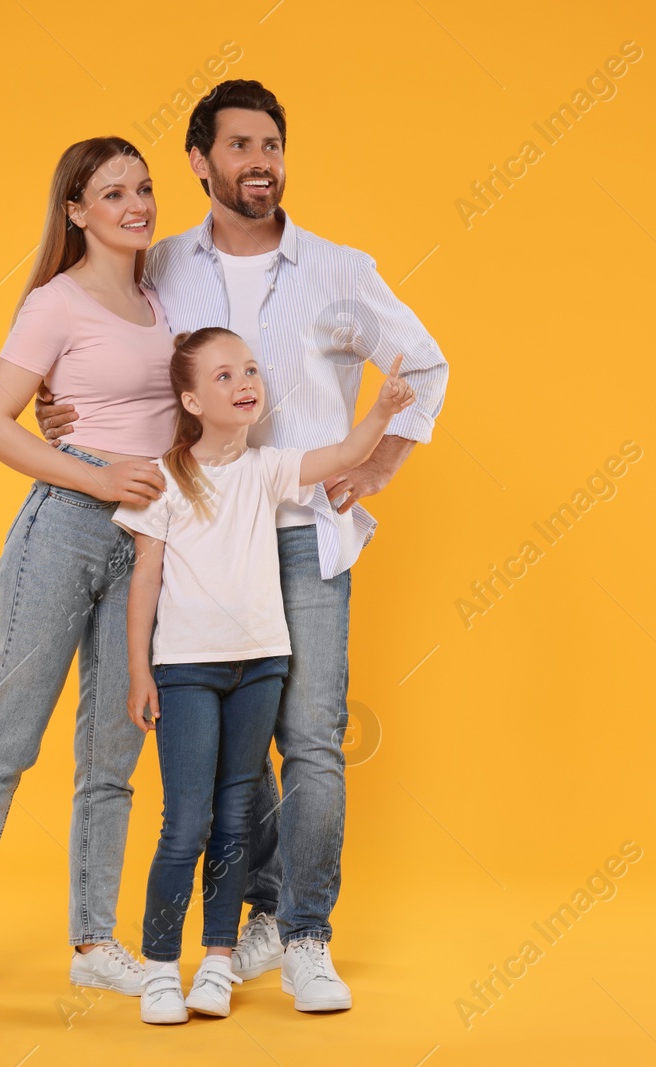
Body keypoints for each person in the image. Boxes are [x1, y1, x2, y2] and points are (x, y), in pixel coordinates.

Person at [36, 79, 450, 1011]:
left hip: (301, 533)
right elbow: (119, 358)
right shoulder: (162, 264)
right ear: (200, 161)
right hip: (201, 535)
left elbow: (425, 363)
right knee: (236, 747)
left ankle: (303, 931)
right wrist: (59, 409)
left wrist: (379, 462)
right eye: (239, 145)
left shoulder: (341, 268)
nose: (260, 161)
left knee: (309, 737)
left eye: (272, 144)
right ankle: (250, 915)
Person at [0, 137, 172, 1018]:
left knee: (115, 750)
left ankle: (96, 942)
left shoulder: (160, 298)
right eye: (114, 192)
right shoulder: (56, 302)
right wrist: (98, 473)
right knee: (8, 735)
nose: (136, 204)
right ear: (76, 210)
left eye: (144, 187)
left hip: (148, 544)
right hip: (66, 528)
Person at [116, 329, 414, 1024]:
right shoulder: (163, 476)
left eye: (250, 369)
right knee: (185, 822)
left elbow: (341, 454)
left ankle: (217, 960)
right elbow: (146, 576)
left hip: (261, 668)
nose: (245, 381)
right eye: (224, 376)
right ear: (191, 399)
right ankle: (162, 962)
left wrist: (381, 409)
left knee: (236, 818)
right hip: (186, 672)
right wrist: (140, 673)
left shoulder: (267, 466)